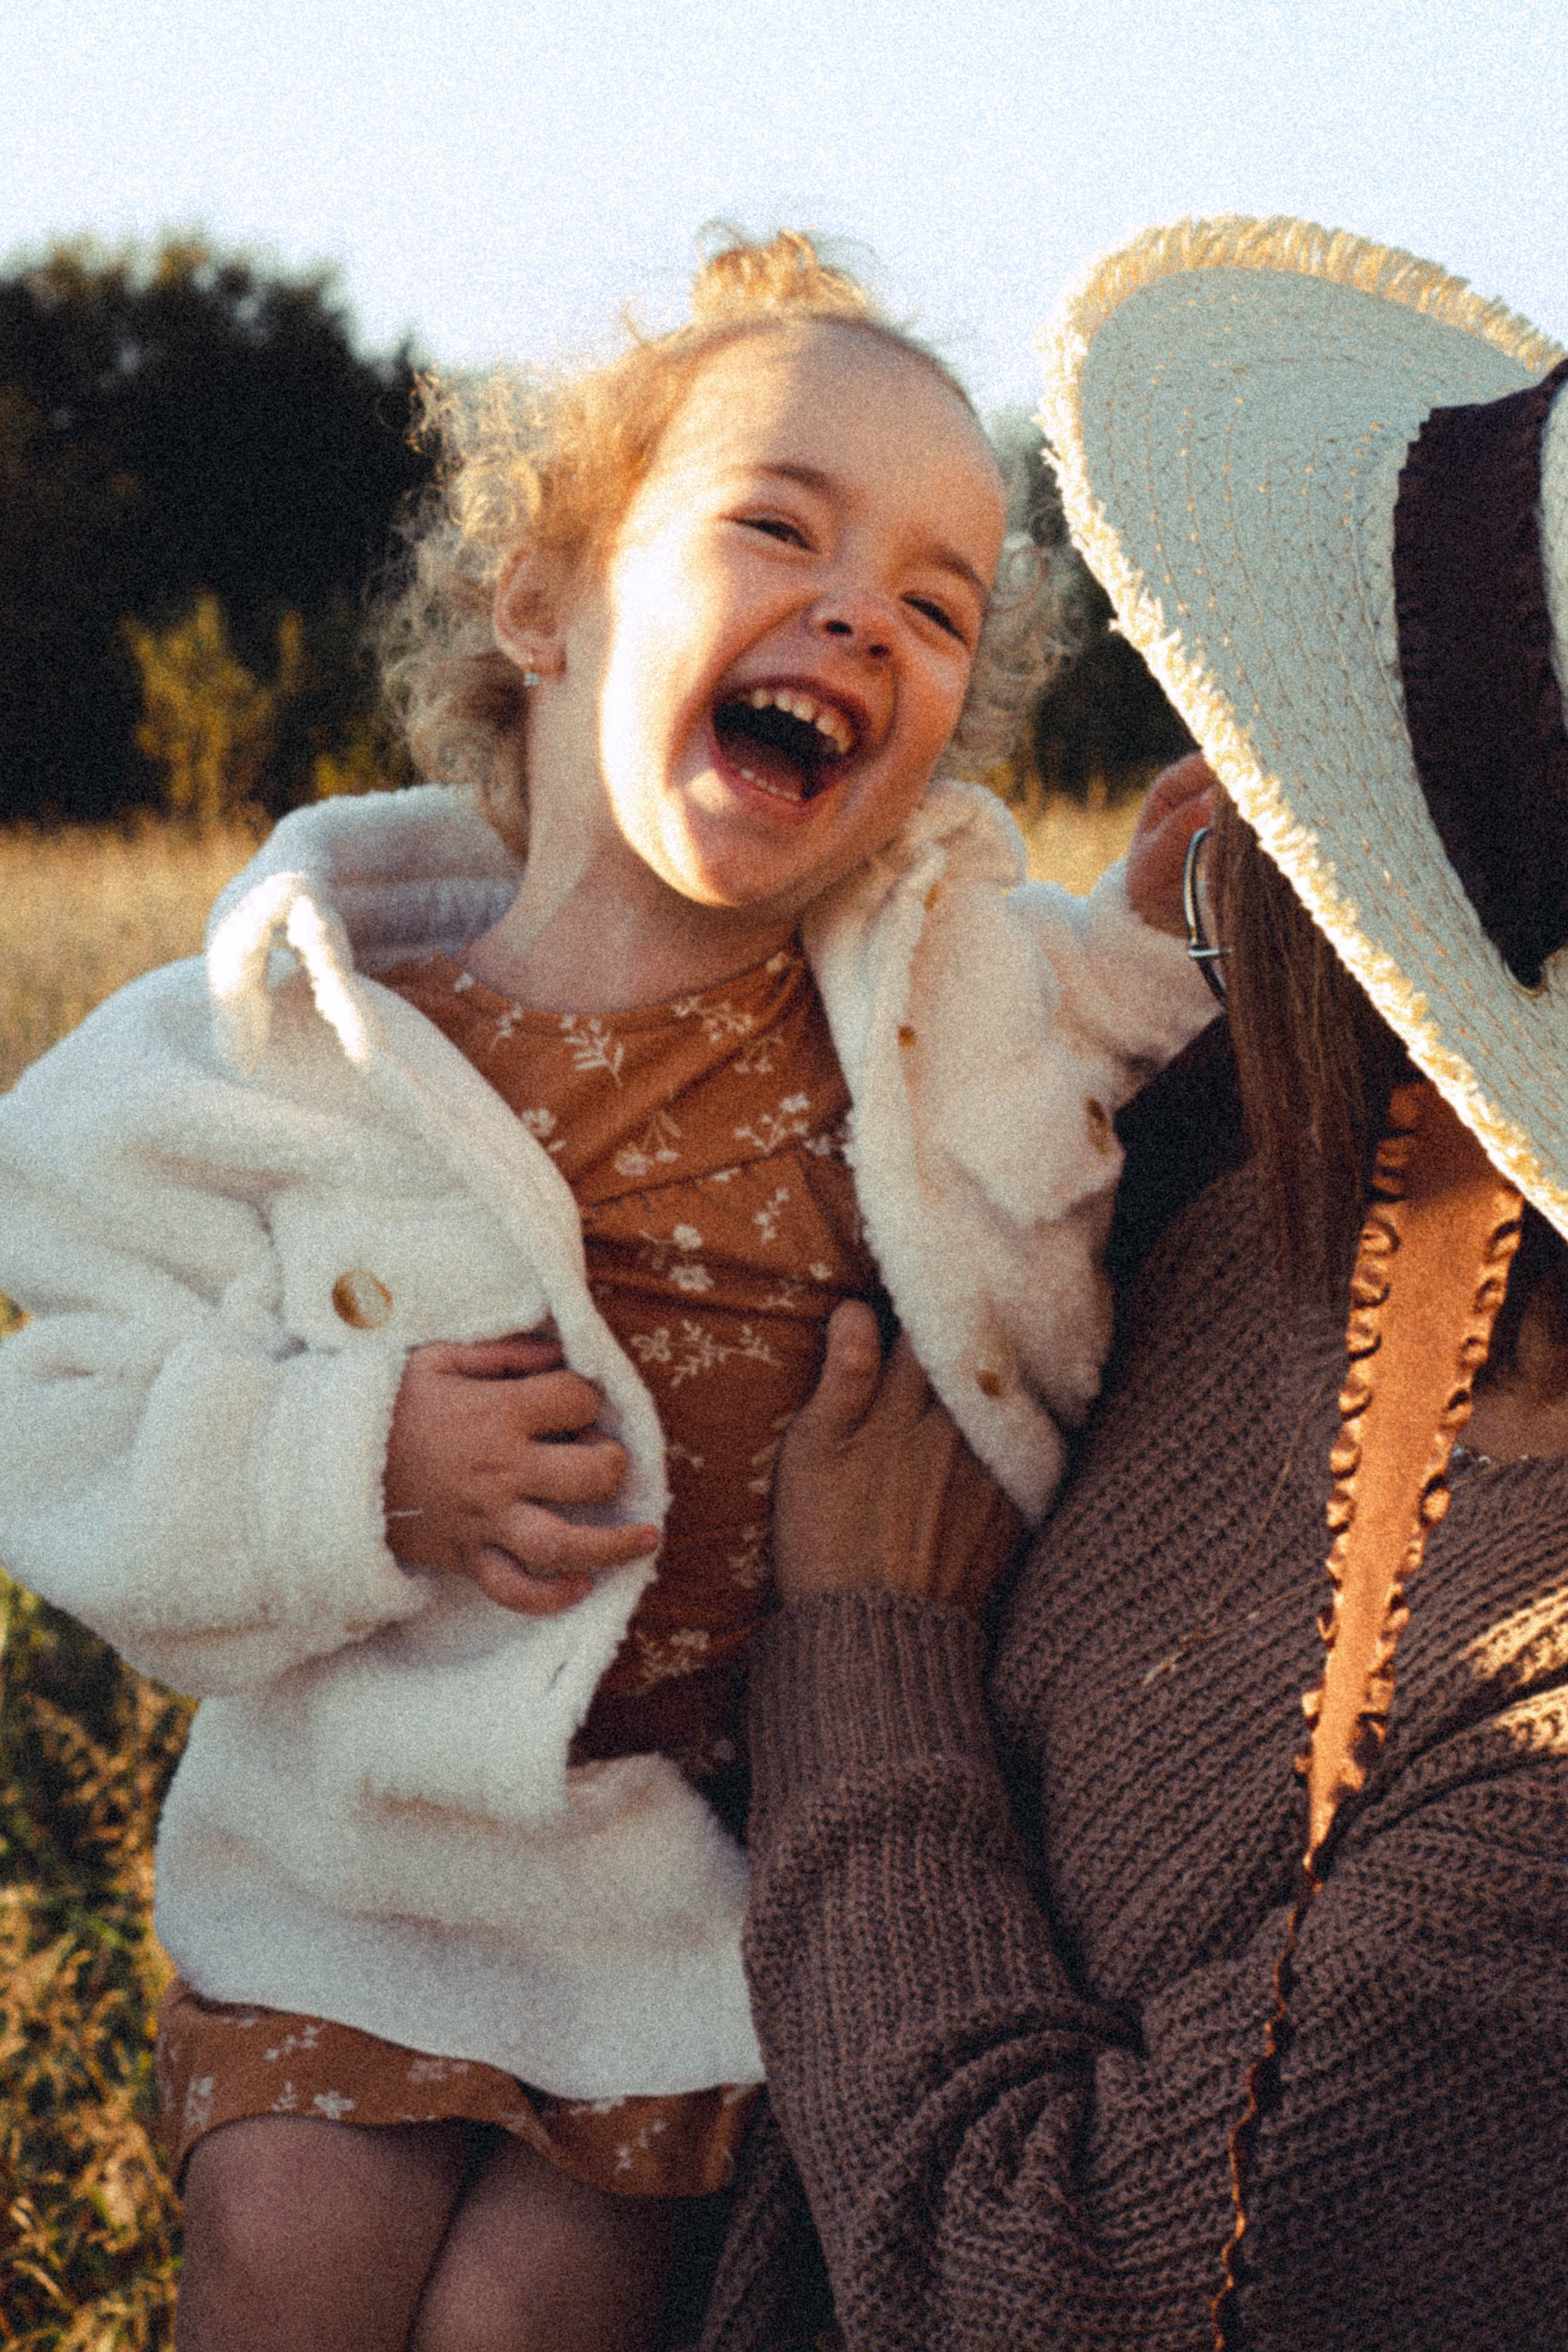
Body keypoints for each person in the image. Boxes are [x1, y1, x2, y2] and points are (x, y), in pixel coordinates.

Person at [0, 233, 1212, 2352]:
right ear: (542, 599)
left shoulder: (932, 1004)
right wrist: (351, 1464)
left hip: (694, 1897)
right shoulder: (293, 1046)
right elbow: (63, 1405)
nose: (860, 612)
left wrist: (1196, 893)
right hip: (361, 1861)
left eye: (936, 606)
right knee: (293, 2257)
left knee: (535, 2319)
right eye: (777, 526)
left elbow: (1116, 1011)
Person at [698, 217, 1568, 2352]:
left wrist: (867, 1648)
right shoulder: (1270, 1169)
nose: (1236, 778)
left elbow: (1055, 2286)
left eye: (1296, 748)